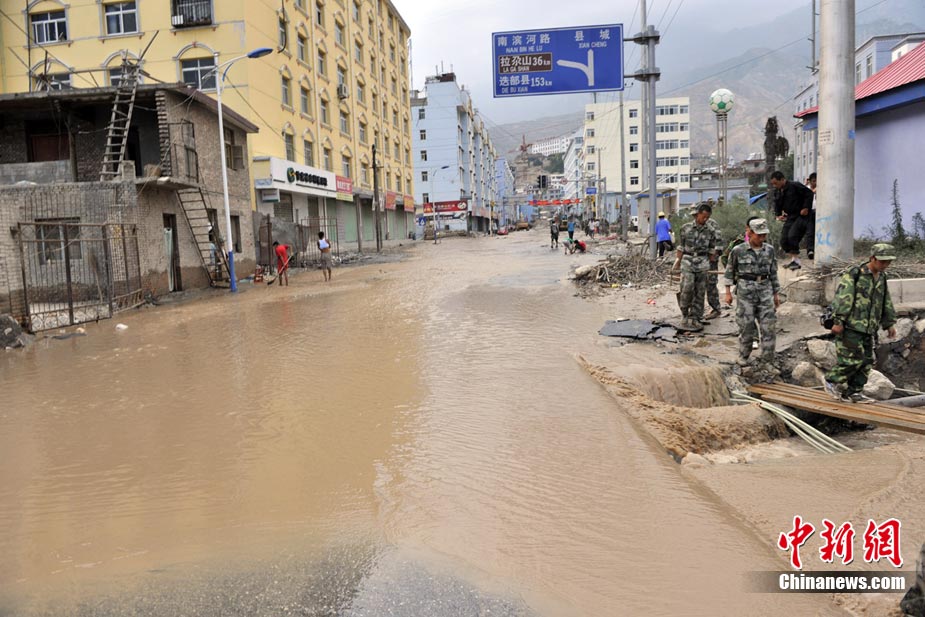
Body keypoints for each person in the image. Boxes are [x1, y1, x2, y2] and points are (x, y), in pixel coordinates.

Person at [823, 244, 898, 402]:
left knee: (866, 362)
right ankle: (831, 380)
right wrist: (839, 321)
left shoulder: (882, 277)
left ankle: (854, 392)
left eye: (888, 262)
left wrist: (889, 323)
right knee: (851, 360)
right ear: (873, 258)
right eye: (882, 261)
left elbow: (885, 300)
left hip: (869, 328)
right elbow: (844, 297)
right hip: (851, 326)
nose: (885, 265)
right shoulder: (855, 273)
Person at [724, 218, 781, 367]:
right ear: (750, 232)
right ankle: (744, 355)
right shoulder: (738, 250)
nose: (762, 238)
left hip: (765, 290)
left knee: (769, 327)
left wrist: (776, 294)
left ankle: (768, 360)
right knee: (746, 326)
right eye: (759, 235)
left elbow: (773, 273)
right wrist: (727, 293)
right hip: (745, 292)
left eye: (764, 235)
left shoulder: (769, 250)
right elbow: (729, 271)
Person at [674, 203, 723, 331]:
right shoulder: (685, 228)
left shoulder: (710, 230)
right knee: (687, 288)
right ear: (698, 214)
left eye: (708, 217)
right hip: (688, 261)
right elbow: (681, 246)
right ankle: (685, 314)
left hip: (703, 262)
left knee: (700, 292)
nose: (705, 219)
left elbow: (712, 248)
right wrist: (677, 262)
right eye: (703, 216)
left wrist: (710, 261)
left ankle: (696, 317)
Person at [770, 170, 814, 270]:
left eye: (776, 183)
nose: (774, 186)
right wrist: (778, 215)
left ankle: (796, 261)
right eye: (773, 184)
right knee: (784, 240)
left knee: (792, 236)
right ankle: (793, 260)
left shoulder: (795, 186)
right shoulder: (778, 191)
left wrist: (806, 207)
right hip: (790, 217)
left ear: (782, 179)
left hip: (801, 216)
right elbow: (777, 204)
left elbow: (809, 193)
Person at [804, 172, 817, 260]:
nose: (815, 183)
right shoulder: (806, 189)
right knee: (810, 231)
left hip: (819, 212)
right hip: (809, 212)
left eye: (816, 181)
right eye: (813, 181)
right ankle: (810, 250)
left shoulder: (822, 188)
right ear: (810, 181)